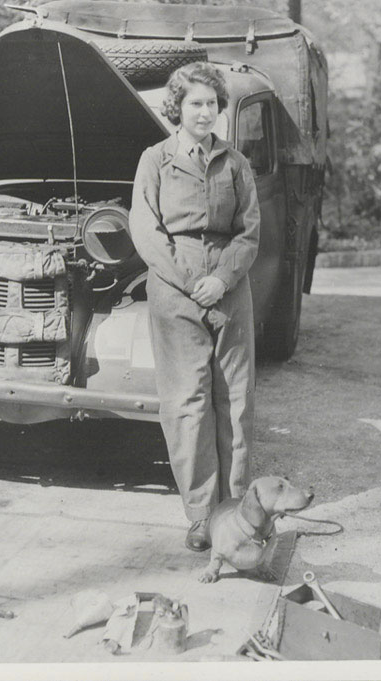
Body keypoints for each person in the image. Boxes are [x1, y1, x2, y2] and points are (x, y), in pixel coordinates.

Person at [129, 62, 261, 551]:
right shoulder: (155, 160)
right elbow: (145, 230)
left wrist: (222, 278)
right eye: (195, 104)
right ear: (177, 110)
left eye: (212, 104)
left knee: (237, 399)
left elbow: (250, 232)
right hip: (175, 288)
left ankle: (239, 508)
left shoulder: (236, 164)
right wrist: (192, 282)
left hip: (230, 286)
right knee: (187, 404)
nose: (205, 113)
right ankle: (203, 514)